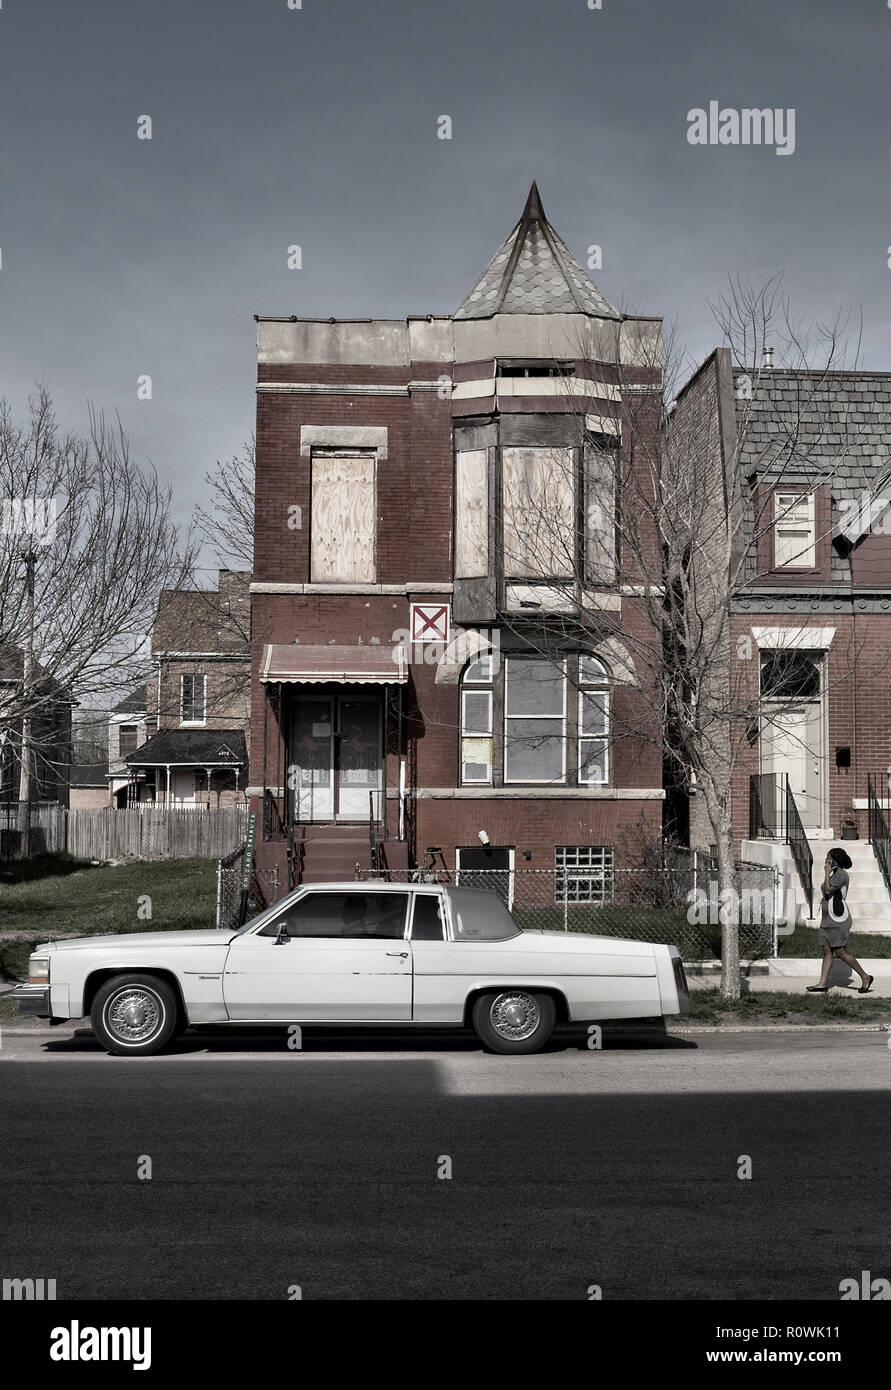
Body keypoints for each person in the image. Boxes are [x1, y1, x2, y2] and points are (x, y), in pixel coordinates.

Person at [806, 847, 874, 994]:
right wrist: (828, 874)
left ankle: (865, 977)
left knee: (840, 951)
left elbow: (829, 890)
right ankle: (822, 984)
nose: (826, 860)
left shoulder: (842, 874)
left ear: (835, 860)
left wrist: (826, 873)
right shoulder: (833, 874)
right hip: (828, 918)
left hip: (838, 919)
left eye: (828, 858)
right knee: (826, 950)